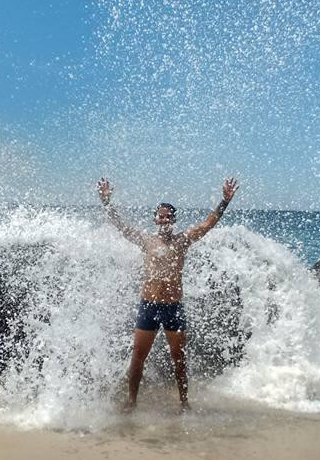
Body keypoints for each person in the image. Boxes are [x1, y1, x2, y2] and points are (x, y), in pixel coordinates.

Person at [97, 177, 239, 412]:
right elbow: (120, 225)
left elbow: (208, 224)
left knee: (179, 359)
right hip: (149, 306)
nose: (164, 219)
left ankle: (184, 402)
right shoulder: (146, 241)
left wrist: (224, 201)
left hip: (173, 307)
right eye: (160, 216)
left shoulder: (183, 240)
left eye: (168, 216)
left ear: (174, 220)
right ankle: (132, 401)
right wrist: (106, 201)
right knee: (138, 358)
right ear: (155, 219)